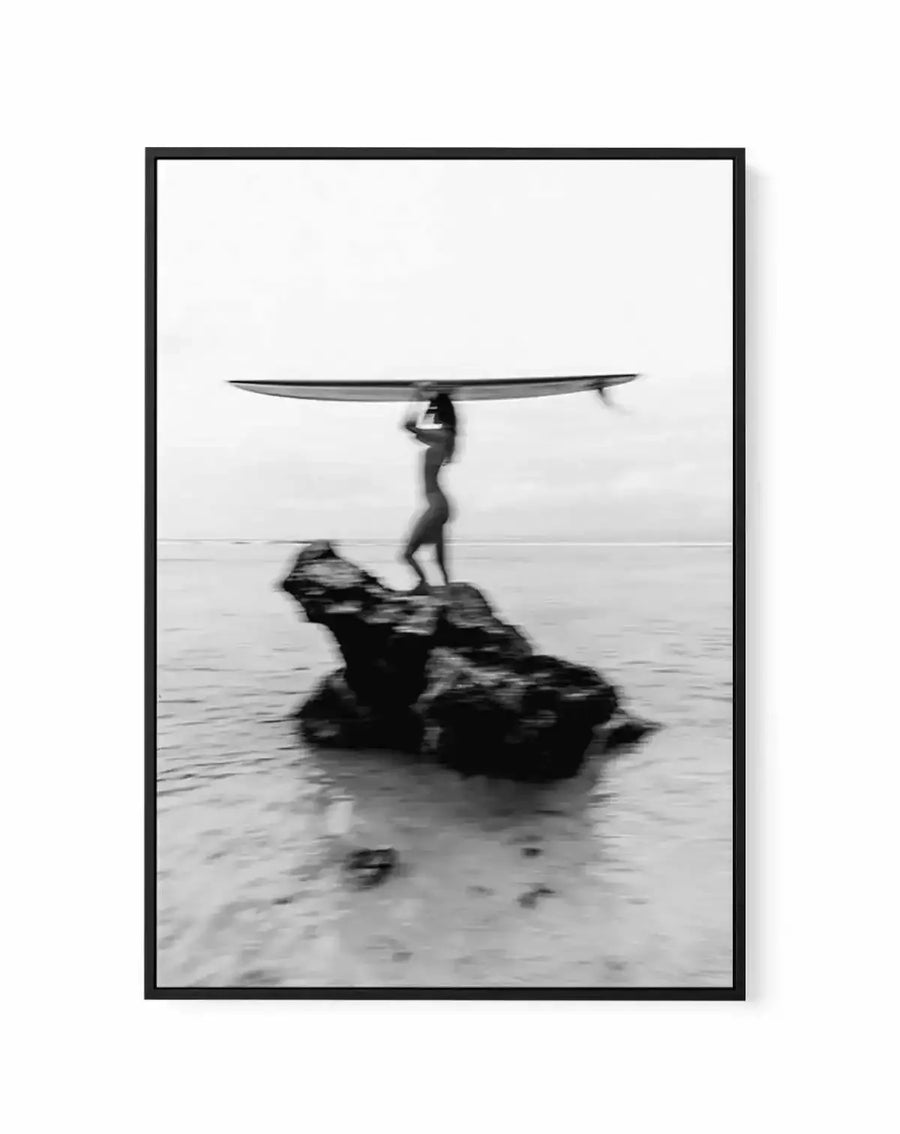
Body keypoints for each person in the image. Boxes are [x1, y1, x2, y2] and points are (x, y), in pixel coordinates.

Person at [400, 388, 458, 592]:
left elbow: (407, 425)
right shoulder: (445, 438)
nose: (430, 414)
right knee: (437, 555)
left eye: (433, 411)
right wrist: (430, 401)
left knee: (407, 554)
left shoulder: (440, 436)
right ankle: (447, 587)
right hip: (439, 505)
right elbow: (413, 429)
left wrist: (417, 397)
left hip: (436, 505)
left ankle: (423, 585)